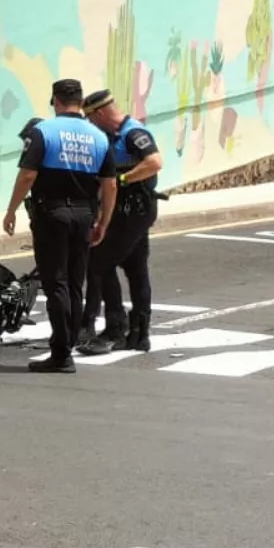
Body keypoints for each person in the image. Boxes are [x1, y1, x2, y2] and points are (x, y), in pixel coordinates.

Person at [3, 79, 116, 373]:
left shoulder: (44, 131)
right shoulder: (99, 137)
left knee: (56, 283)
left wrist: (11, 209)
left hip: (52, 214)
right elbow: (110, 184)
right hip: (83, 215)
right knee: (76, 283)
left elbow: (28, 176)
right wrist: (103, 221)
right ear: (80, 100)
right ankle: (68, 347)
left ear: (55, 100)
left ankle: (61, 352)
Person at [78, 89, 165, 355]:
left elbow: (154, 162)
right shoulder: (112, 135)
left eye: (91, 117)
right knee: (136, 268)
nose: (90, 123)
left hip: (134, 211)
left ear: (100, 113)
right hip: (130, 211)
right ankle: (140, 333)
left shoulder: (132, 133)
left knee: (98, 263)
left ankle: (116, 328)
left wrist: (123, 180)